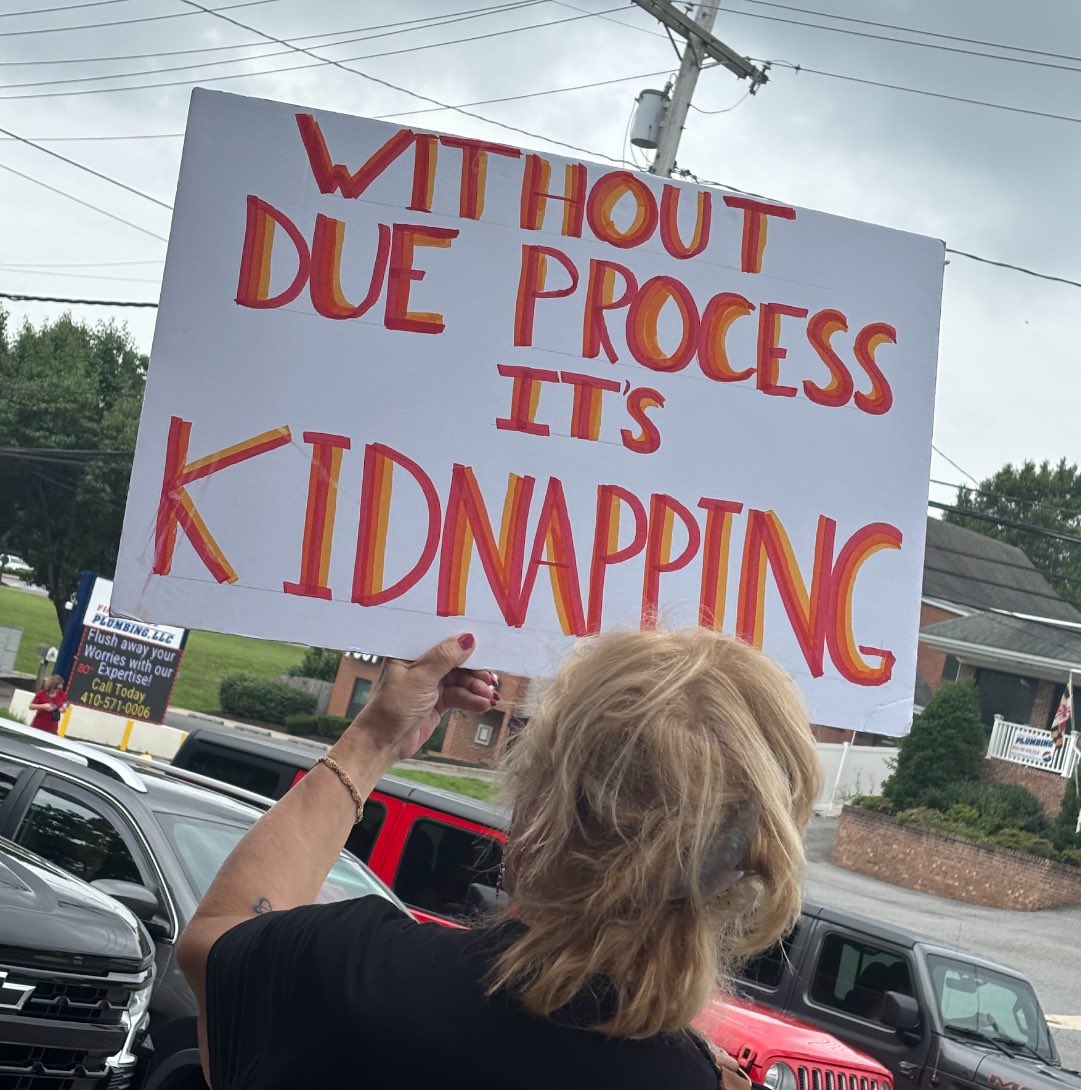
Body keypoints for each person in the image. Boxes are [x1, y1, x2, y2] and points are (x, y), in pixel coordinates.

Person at [178, 628, 822, 1090]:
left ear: (547, 807)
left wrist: (373, 739)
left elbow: (215, 938)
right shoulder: (695, 1078)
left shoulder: (356, 976)